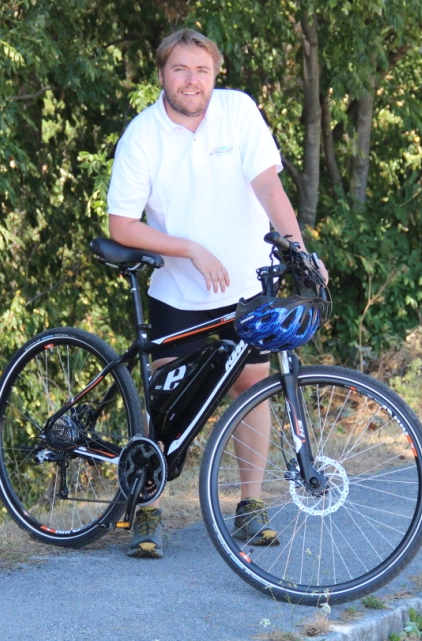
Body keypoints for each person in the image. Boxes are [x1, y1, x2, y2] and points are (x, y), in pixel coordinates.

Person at [106, 28, 326, 558]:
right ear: (162, 73)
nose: (191, 80)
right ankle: (147, 506)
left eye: (201, 70)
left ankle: (250, 507)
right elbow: (121, 225)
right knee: (165, 403)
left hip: (247, 289)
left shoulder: (238, 112)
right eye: (180, 69)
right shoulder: (143, 135)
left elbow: (269, 186)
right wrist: (189, 249)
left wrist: (300, 252)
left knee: (252, 390)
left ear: (215, 75)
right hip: (178, 296)